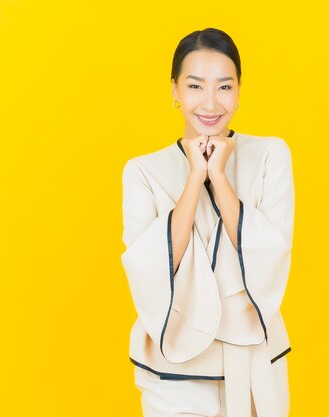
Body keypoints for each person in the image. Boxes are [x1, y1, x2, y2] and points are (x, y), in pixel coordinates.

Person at [120, 27, 295, 417]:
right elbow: (153, 266)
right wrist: (195, 177)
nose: (210, 102)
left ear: (238, 91)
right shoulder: (142, 172)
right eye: (196, 86)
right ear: (175, 91)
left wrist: (219, 175)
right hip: (173, 370)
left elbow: (272, 254)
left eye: (224, 87)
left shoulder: (271, 155)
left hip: (253, 362)